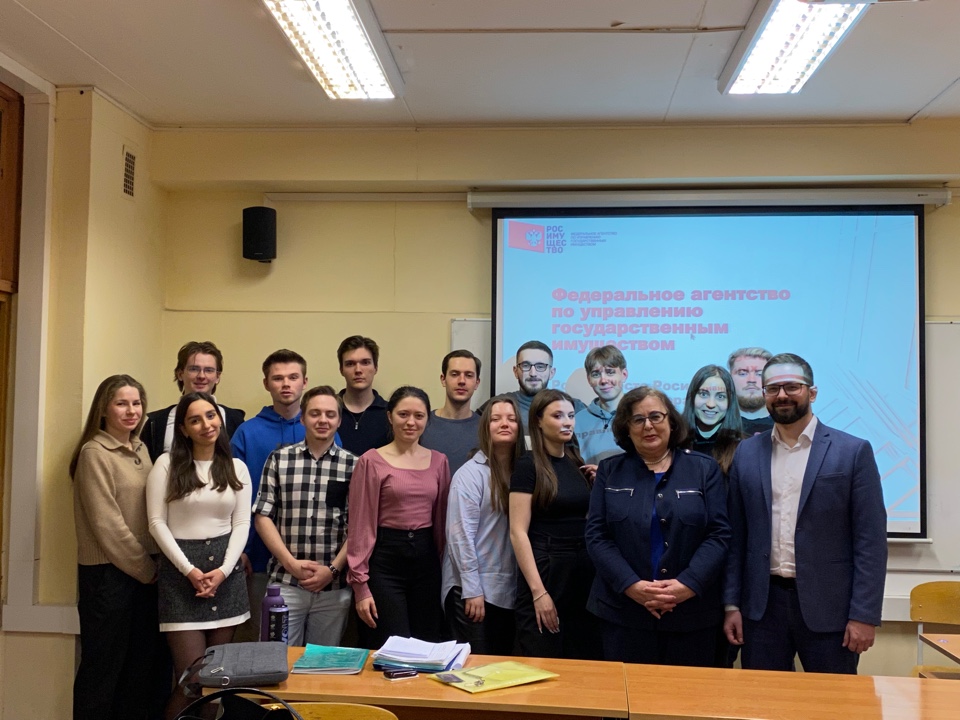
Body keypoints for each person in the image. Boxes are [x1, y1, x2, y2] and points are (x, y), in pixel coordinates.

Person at [723, 353, 887, 674]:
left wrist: (864, 615)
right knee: (763, 698)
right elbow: (736, 537)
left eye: (792, 387)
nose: (782, 395)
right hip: (762, 608)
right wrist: (731, 604)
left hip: (831, 611)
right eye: (773, 389)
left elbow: (870, 542)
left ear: (812, 393)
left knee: (833, 700)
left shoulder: (852, 451)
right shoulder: (746, 453)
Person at [585, 386, 730, 666]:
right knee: (626, 694)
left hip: (691, 614)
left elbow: (718, 534)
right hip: (623, 612)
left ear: (671, 422)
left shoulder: (704, 469)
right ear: (626, 428)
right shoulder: (609, 471)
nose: (648, 426)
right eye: (638, 419)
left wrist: (688, 584)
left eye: (655, 416)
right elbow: (597, 536)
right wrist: (631, 585)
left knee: (687, 693)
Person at [147, 392, 252, 718]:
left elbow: (242, 523)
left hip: (225, 577)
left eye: (210, 415)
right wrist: (189, 570)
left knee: (216, 683)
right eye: (195, 420)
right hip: (181, 576)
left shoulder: (236, 467)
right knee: (192, 680)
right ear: (183, 429)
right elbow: (156, 523)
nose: (206, 424)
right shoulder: (166, 464)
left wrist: (223, 571)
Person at [71, 375, 168, 720]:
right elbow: (107, 525)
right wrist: (147, 570)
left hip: (144, 576)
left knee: (138, 670)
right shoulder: (94, 453)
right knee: (103, 670)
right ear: (103, 409)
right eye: (121, 403)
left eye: (136, 403)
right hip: (108, 578)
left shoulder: (141, 449)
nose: (131, 411)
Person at [347, 386, 451, 648]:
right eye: (403, 414)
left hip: (426, 563)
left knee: (427, 645)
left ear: (427, 419)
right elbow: (360, 526)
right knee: (392, 646)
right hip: (385, 563)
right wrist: (360, 585)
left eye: (419, 415)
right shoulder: (371, 461)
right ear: (390, 416)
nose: (411, 422)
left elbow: (442, 524)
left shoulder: (439, 462)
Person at [254, 386, 358, 646]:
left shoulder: (355, 466)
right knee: (276, 659)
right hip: (286, 584)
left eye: (330, 414)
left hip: (333, 588)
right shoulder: (279, 460)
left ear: (339, 420)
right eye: (315, 413)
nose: (323, 420)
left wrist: (332, 570)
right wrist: (291, 564)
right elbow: (263, 516)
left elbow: (360, 527)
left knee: (322, 665)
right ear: (302, 418)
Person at [509, 389, 600, 660]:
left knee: (582, 655)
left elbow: (585, 517)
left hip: (581, 569)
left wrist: (597, 485)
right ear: (538, 421)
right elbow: (517, 532)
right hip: (547, 569)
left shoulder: (575, 461)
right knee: (542, 651)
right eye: (558, 416)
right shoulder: (528, 464)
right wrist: (539, 593)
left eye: (571, 416)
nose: (567, 422)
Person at [230, 349, 311, 641]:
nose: (286, 384)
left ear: (305, 381)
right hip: (259, 558)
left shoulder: (322, 428)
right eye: (278, 378)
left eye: (293, 377)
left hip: (312, 560)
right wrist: (241, 549)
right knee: (267, 640)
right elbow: (233, 496)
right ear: (266, 383)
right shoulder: (246, 433)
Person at [441, 395, 523, 654]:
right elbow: (459, 536)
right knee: (475, 668)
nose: (504, 424)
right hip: (470, 589)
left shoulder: (524, 472)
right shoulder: (470, 474)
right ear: (485, 427)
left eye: (511, 419)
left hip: (507, 591)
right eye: (496, 419)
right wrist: (472, 590)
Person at [142, 341, 245, 462]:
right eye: (194, 369)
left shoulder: (235, 420)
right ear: (180, 374)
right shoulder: (155, 423)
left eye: (209, 370)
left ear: (217, 377)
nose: (201, 376)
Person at [502, 340, 585, 447]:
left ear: (552, 372)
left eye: (540, 366)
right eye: (526, 365)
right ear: (515, 371)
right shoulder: (499, 406)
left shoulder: (575, 408)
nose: (533, 373)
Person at [420, 349, 482, 475]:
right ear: (443, 379)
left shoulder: (486, 428)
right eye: (454, 374)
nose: (462, 381)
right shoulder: (422, 424)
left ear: (477, 383)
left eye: (469, 375)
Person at [681, 364, 744, 475]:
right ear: (692, 397)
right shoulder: (673, 443)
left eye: (720, 396)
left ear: (730, 402)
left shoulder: (744, 449)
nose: (711, 404)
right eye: (703, 394)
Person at [336, 335, 391, 456]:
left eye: (365, 362)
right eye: (350, 364)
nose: (358, 370)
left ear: (375, 368)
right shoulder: (327, 412)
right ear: (341, 370)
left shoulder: (390, 414)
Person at [575, 345, 628, 465]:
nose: (603, 380)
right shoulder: (576, 421)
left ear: (624, 374)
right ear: (589, 379)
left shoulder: (638, 415)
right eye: (596, 374)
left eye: (610, 372)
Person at [727, 347, 773, 436]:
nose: (751, 380)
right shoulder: (715, 425)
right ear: (729, 378)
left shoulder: (788, 425)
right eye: (742, 373)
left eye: (759, 374)